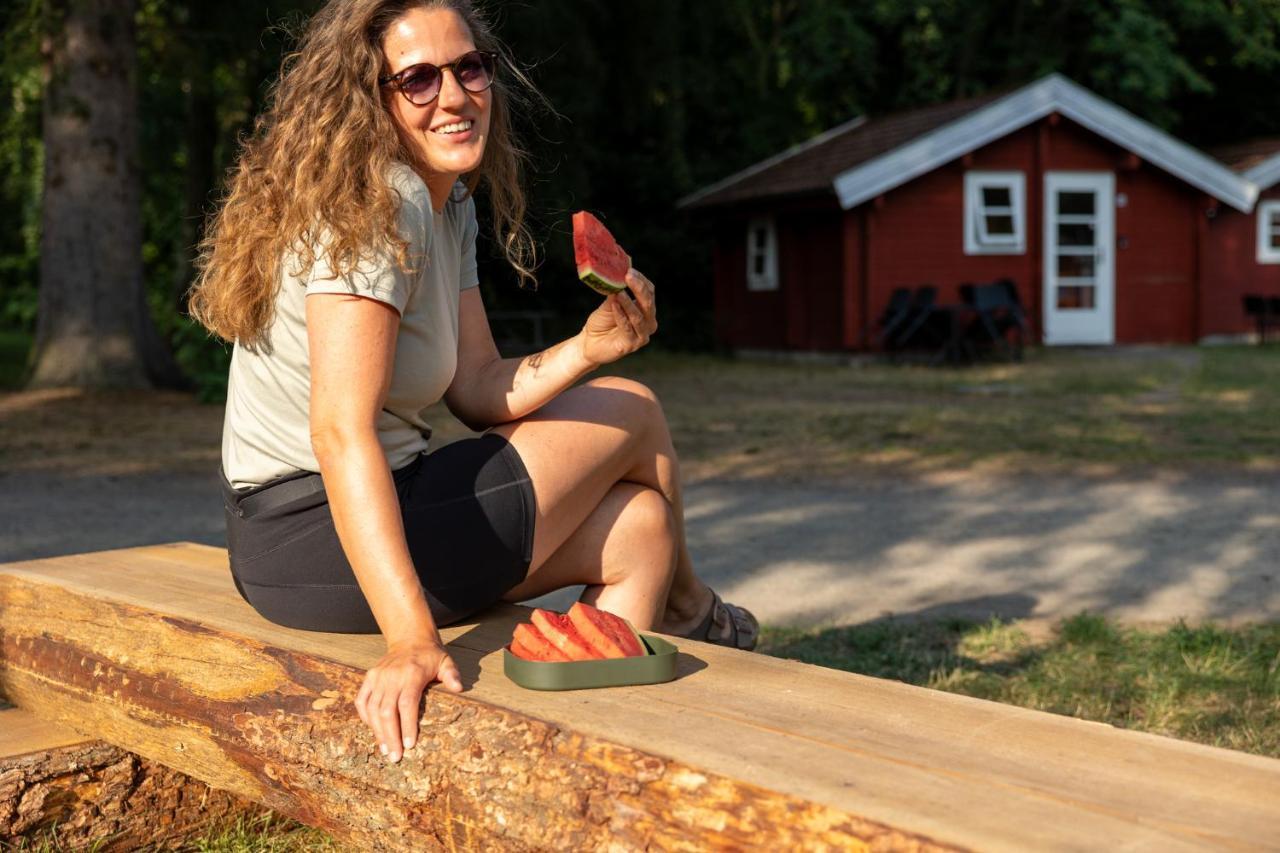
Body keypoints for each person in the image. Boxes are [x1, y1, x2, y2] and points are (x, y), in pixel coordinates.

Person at [189, 0, 757, 766]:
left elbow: (480, 386)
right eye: (418, 79)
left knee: (641, 531)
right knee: (635, 409)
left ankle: (587, 766)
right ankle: (693, 608)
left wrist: (589, 349)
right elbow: (339, 430)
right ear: (372, 97)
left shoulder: (444, 202)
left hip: (363, 511)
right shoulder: (377, 202)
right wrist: (411, 639)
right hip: (307, 533)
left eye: (468, 68)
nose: (454, 95)